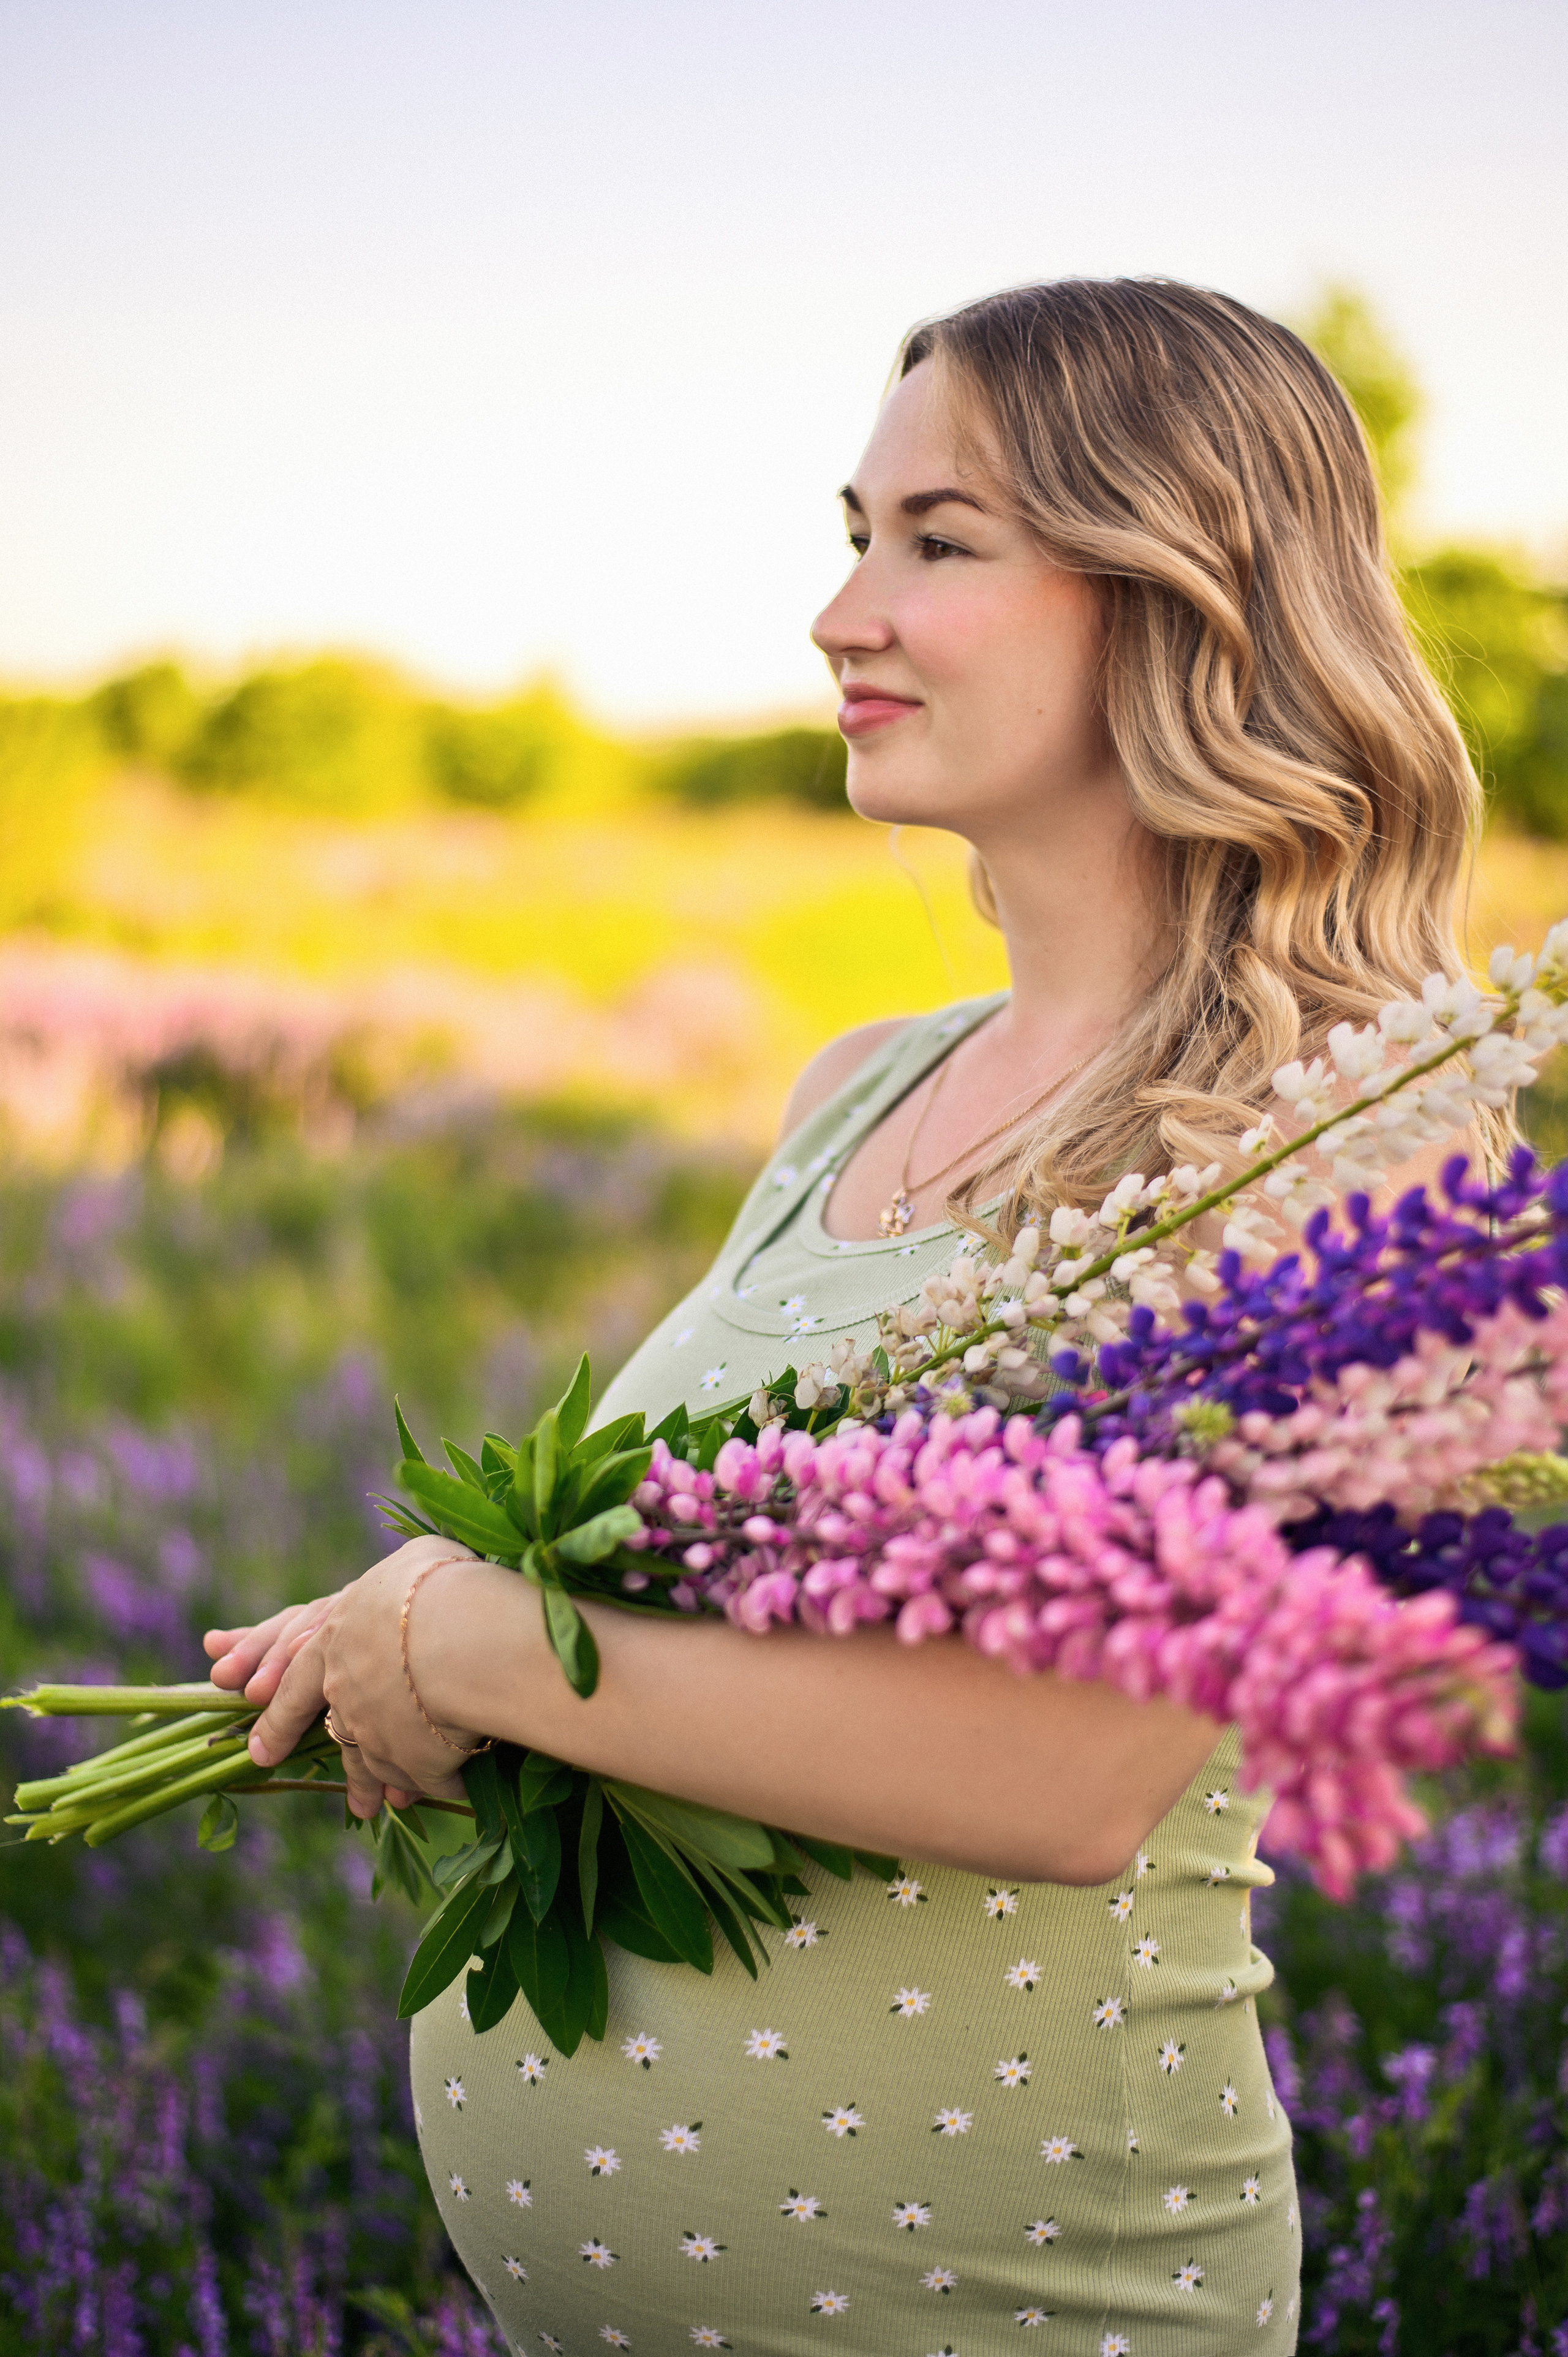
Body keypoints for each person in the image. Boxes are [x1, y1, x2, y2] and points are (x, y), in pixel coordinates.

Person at [205, 278, 1495, 2355]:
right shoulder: (858, 1091)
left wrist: (472, 1641)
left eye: (940, 541)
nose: (840, 614)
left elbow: (1066, 1778)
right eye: (853, 532)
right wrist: (406, 1640)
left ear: (1182, 598)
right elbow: (708, 1649)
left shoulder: (1330, 1141)